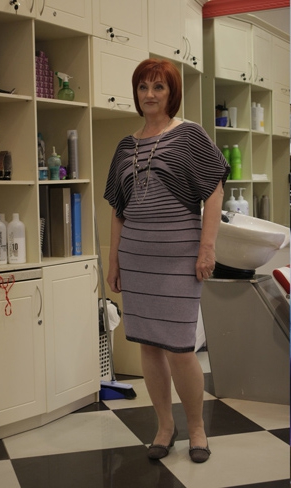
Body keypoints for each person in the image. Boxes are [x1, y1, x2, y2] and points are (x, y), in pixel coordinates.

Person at [103, 58, 229, 464]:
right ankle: (164, 426)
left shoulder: (189, 134)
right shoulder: (125, 146)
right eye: (143, 87)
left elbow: (214, 190)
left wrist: (207, 248)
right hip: (136, 258)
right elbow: (118, 210)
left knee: (179, 347)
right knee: (148, 346)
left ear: (171, 93)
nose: (150, 94)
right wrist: (113, 262)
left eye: (158, 87)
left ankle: (197, 428)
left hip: (179, 258)